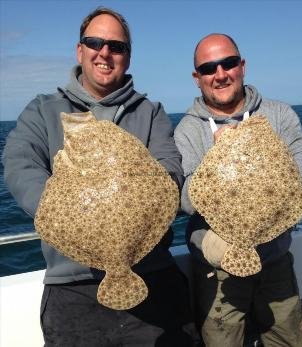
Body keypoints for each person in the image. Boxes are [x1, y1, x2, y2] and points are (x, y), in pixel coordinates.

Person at [3, 7, 198, 347]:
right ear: (80, 50)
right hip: (72, 286)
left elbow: (169, 167)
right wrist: (69, 215)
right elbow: (20, 165)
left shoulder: (150, 112)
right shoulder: (43, 109)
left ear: (128, 56)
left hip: (151, 274)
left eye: (116, 46)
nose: (104, 52)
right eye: (94, 42)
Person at [174, 33, 302, 347]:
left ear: (242, 66)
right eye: (209, 68)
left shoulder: (278, 113)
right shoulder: (188, 129)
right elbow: (185, 197)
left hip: (275, 260)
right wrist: (218, 160)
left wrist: (265, 162)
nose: (220, 74)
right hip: (218, 271)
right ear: (197, 78)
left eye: (228, 63)